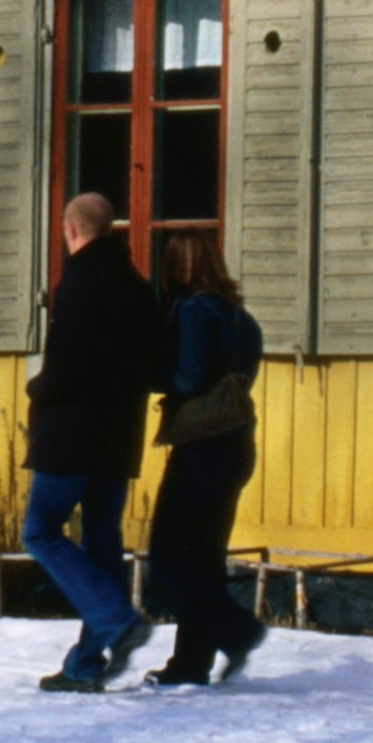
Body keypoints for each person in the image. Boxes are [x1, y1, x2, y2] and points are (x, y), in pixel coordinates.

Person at [24, 189, 169, 692]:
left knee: (39, 532)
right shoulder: (135, 284)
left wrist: (36, 389)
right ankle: (86, 663)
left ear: (70, 231)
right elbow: (154, 364)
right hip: (117, 437)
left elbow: (65, 368)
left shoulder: (78, 282)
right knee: (102, 540)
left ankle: (115, 619)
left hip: (70, 437)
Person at [142, 229, 269, 685]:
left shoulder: (194, 310)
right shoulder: (241, 316)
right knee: (204, 555)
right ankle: (191, 662)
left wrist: (147, 372)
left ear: (178, 267)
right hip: (235, 443)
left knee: (172, 553)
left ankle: (236, 631)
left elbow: (189, 377)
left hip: (202, 444)